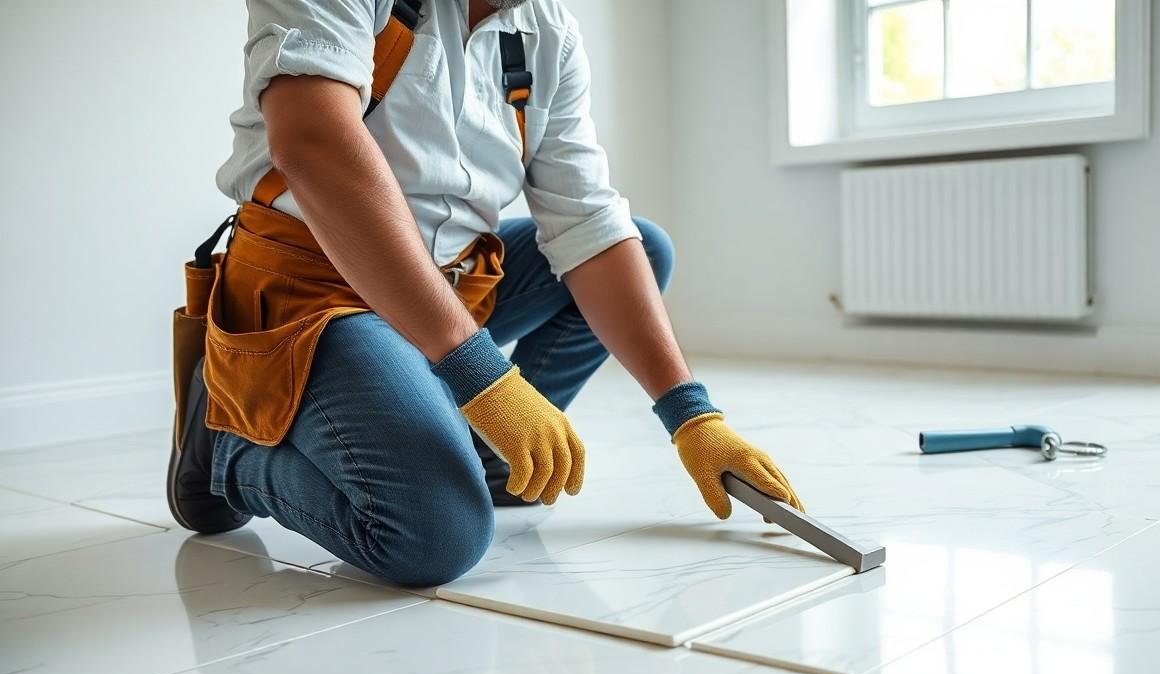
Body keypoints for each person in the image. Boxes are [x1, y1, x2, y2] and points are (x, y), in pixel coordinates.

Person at [167, 0, 803, 588]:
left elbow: (587, 223)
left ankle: (481, 452)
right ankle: (226, 446)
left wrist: (690, 415)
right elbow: (311, 140)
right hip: (318, 291)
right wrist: (482, 378)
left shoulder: (544, 30)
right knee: (435, 537)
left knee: (644, 246)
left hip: (453, 285)